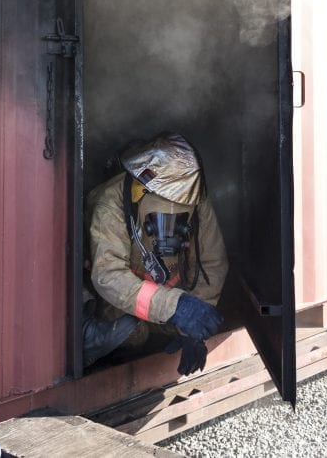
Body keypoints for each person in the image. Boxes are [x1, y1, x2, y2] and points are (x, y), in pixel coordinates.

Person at [82, 131, 229, 376]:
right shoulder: (111, 203)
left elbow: (211, 263)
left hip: (167, 303)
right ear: (142, 191)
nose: (170, 231)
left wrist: (192, 327)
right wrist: (175, 306)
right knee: (130, 333)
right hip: (121, 303)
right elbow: (108, 275)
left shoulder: (197, 200)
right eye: (161, 220)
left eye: (180, 218)